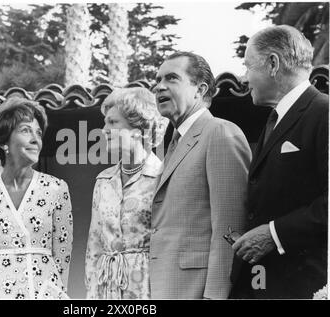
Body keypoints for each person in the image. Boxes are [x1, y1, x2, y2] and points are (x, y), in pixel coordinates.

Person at [230, 25, 328, 299]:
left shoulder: (324, 113)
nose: (244, 77)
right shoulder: (276, 119)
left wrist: (274, 233)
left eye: (248, 66)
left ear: (273, 63)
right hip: (265, 283)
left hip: (303, 284)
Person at [150, 52, 252, 299]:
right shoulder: (171, 144)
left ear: (200, 89)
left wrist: (215, 295)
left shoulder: (219, 132)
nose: (158, 86)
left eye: (172, 78)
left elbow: (231, 225)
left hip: (198, 291)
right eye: (157, 79)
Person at [0, 97, 73, 299]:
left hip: (44, 292)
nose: (35, 139)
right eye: (26, 130)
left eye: (39, 133)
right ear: (4, 141)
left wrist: (53, 290)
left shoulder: (56, 188)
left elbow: (62, 254)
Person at [85, 87, 167, 299]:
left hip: (148, 287)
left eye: (113, 123)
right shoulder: (103, 181)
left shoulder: (163, 177)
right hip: (106, 289)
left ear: (139, 129)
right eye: (105, 122)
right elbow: (94, 246)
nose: (104, 130)